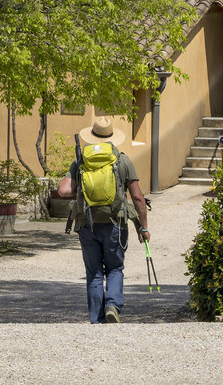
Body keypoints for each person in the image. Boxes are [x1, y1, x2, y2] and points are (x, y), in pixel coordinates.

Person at [56, 115, 150, 324]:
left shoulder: (81, 161)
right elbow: (137, 197)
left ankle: (96, 318)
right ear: (112, 138)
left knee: (94, 272)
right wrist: (144, 227)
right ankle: (113, 305)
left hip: (87, 224)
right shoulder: (123, 160)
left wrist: (82, 191)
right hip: (115, 223)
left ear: (91, 136)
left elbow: (63, 191)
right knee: (115, 267)